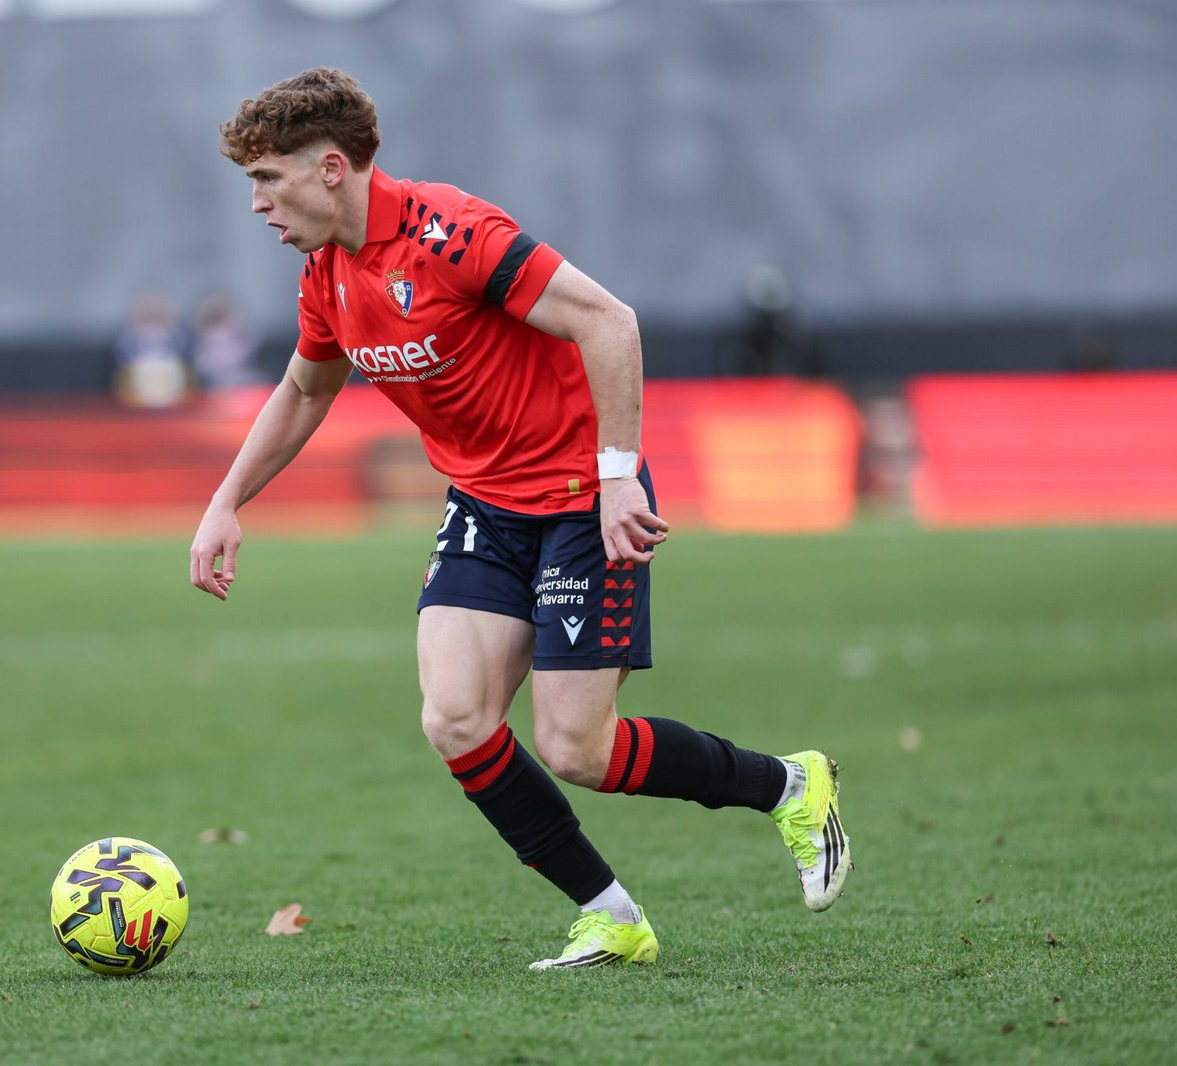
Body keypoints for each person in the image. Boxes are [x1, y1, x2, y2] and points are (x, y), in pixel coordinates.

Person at [188, 68, 852, 970]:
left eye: (268, 180)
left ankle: (788, 784)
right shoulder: (328, 273)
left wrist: (619, 479)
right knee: (454, 717)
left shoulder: (453, 232)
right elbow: (306, 390)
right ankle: (611, 914)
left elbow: (611, 324)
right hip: (486, 505)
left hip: (584, 496)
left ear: (332, 168)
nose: (259, 203)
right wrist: (227, 501)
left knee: (576, 747)